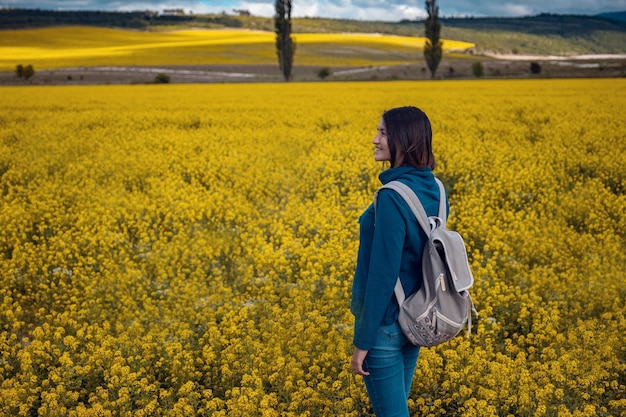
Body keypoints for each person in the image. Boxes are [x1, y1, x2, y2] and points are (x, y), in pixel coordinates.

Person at [350, 106, 448, 416]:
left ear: (402, 141)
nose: (374, 139)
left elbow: (383, 274)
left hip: (386, 328)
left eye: (382, 133)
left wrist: (363, 342)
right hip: (415, 320)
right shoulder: (436, 189)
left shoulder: (393, 196)